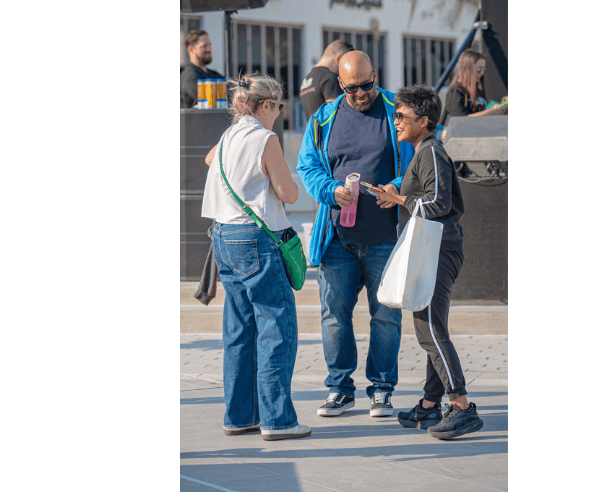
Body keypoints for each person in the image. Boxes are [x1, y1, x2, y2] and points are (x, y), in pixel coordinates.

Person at [297, 51, 415, 418]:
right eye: (351, 89)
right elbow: (308, 165)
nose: (360, 94)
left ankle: (382, 389)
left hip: (385, 236)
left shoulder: (399, 111)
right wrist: (331, 190)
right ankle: (340, 389)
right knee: (334, 314)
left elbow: (416, 163)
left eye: (367, 85)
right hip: (337, 238)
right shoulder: (325, 116)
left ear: (376, 75)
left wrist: (395, 188)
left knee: (386, 317)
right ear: (340, 83)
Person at [200, 73, 311, 441]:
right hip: (255, 240)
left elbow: (208, 159)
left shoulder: (228, 135)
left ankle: (239, 415)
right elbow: (288, 193)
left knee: (239, 330)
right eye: (278, 106)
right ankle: (277, 420)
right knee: (276, 327)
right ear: (266, 105)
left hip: (222, 236)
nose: (279, 113)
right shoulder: (266, 138)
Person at [372, 84, 484, 440]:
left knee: (430, 329)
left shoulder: (431, 152)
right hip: (432, 249)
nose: (396, 122)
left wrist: (400, 197)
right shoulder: (423, 151)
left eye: (402, 116)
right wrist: (398, 198)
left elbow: (438, 204)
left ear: (424, 120)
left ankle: (462, 406)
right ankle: (429, 404)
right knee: (430, 324)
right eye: (395, 115)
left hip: (437, 250)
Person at [439, 50, 507, 126]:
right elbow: (459, 120)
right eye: (479, 70)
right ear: (468, 69)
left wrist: (502, 105)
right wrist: (492, 111)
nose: (482, 73)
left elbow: (485, 109)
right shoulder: (455, 92)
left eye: (483, 69)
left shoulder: (478, 91)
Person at [299, 39, 354, 119]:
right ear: (338, 58)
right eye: (347, 63)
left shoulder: (306, 80)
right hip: (329, 131)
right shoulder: (330, 78)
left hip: (313, 130)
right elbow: (336, 115)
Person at [181, 30, 225, 108]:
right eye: (204, 46)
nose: (209, 49)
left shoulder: (214, 74)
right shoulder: (190, 76)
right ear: (191, 49)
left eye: (209, 45)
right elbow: (209, 103)